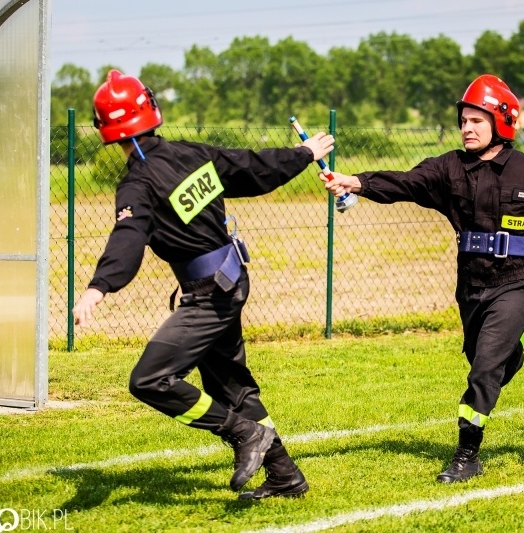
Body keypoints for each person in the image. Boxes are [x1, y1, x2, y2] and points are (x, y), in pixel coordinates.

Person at [320, 74, 524, 483]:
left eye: (476, 120)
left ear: (501, 122)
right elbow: (407, 182)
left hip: (517, 281)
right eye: (463, 120)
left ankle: (467, 454)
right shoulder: (449, 168)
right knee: (496, 366)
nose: (466, 127)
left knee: (484, 370)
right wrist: (355, 181)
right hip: (470, 285)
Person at [72, 69, 334, 499]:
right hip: (228, 280)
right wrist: (301, 154)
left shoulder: (137, 183)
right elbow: (252, 168)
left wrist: (98, 287)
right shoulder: (191, 154)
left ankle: (242, 433)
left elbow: (128, 236)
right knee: (230, 387)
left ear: (106, 129)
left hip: (209, 295)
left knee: (149, 380)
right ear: (151, 109)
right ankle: (286, 476)